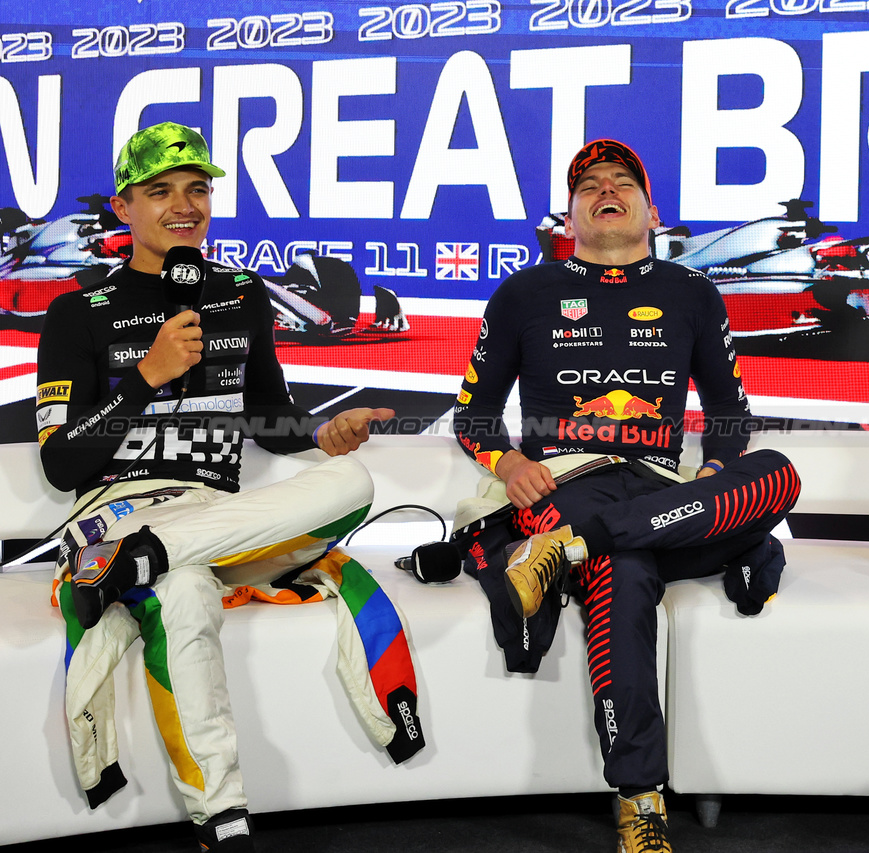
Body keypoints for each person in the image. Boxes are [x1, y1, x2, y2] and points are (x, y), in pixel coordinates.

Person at [36, 122, 424, 852]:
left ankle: (148, 556)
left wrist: (319, 433)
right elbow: (62, 464)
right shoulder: (75, 313)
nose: (184, 205)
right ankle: (226, 820)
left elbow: (269, 417)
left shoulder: (242, 295)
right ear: (125, 208)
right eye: (161, 191)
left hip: (220, 520)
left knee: (354, 481)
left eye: (197, 189)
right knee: (182, 591)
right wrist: (144, 377)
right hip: (119, 510)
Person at [453, 139, 800, 852]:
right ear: (570, 214)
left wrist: (713, 473)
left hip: (663, 493)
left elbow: (730, 416)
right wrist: (509, 460)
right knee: (625, 571)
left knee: (778, 472)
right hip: (565, 481)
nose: (605, 189)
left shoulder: (692, 292)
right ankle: (642, 800)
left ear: (651, 209)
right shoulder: (523, 292)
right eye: (588, 185)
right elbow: (473, 414)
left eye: (621, 181)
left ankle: (568, 553)